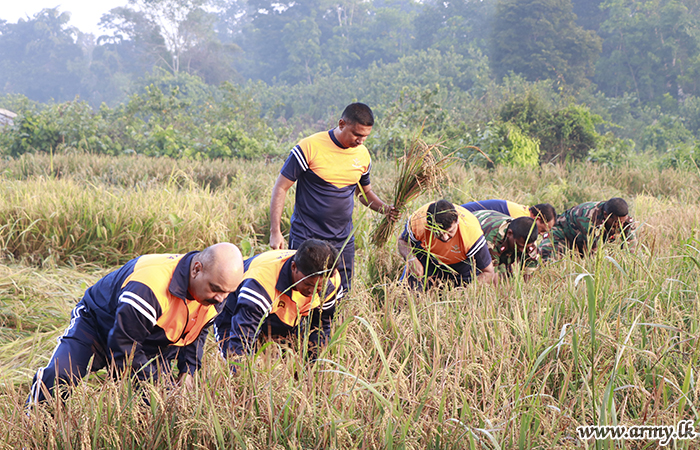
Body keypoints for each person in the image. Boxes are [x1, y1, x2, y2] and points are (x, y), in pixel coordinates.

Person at [27, 243, 244, 405]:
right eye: (216, 289)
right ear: (196, 269)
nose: (221, 299)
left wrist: (188, 372)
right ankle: (32, 426)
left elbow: (196, 334)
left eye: (228, 292)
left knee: (163, 406)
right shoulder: (150, 286)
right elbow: (124, 345)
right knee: (60, 376)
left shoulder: (214, 295)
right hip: (99, 326)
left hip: (155, 339)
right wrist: (154, 384)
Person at [269, 103, 397, 293]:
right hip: (307, 236)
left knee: (340, 292)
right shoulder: (310, 147)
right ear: (342, 124)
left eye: (365, 136)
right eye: (356, 134)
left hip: (342, 239)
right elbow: (281, 187)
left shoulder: (362, 155)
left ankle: (332, 324)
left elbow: (364, 193)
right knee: (303, 289)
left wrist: (386, 209)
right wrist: (275, 231)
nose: (361, 140)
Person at [214, 239, 341, 363]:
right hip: (236, 314)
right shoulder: (261, 283)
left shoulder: (331, 281)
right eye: (308, 284)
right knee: (236, 364)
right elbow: (241, 341)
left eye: (319, 287)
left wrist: (313, 366)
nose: (313, 292)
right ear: (293, 267)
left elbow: (321, 327)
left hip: (284, 318)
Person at [398, 200, 495, 289]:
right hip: (428, 258)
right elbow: (402, 241)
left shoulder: (471, 233)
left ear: (457, 221)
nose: (445, 237)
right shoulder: (418, 221)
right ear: (428, 225)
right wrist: (411, 259)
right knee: (407, 294)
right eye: (438, 233)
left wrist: (467, 291)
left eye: (450, 231)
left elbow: (488, 272)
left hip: (462, 266)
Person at [539, 197, 637, 261]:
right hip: (563, 233)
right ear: (606, 215)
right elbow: (593, 256)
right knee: (548, 260)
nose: (620, 225)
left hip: (586, 239)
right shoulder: (588, 218)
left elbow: (632, 247)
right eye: (616, 222)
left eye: (623, 222)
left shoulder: (625, 219)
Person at [472, 210, 540, 281]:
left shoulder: (530, 242)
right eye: (520, 246)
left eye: (526, 247)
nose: (522, 250)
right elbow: (491, 271)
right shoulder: (492, 239)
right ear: (509, 233)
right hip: (473, 225)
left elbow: (530, 269)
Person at [461, 199, 556, 237]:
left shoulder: (522, 211)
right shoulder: (520, 219)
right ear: (537, 219)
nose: (541, 233)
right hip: (462, 218)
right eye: (542, 229)